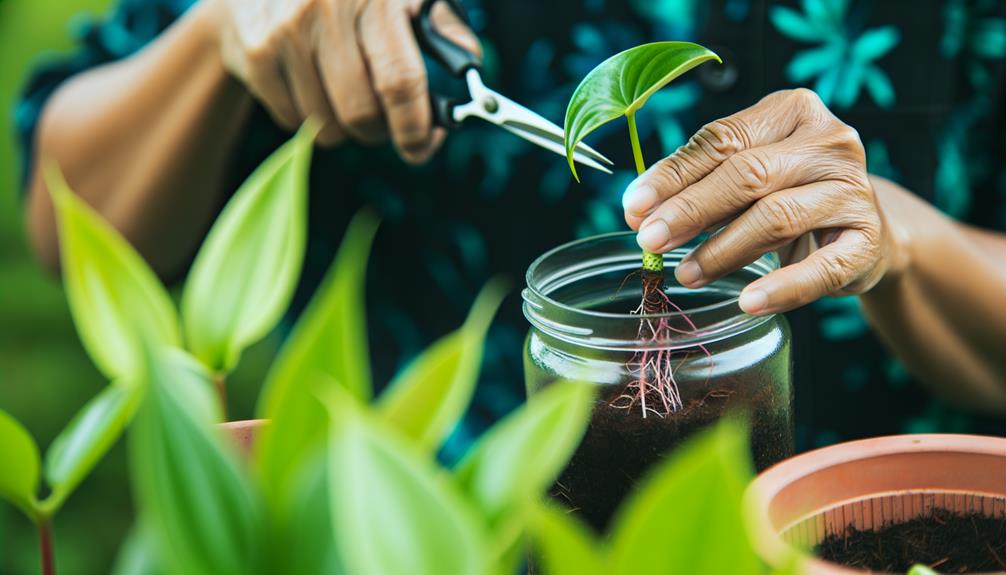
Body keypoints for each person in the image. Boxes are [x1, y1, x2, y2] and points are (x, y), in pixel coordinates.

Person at [17, 0, 1006, 451]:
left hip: (868, 510)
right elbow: (71, 228)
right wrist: (218, 35)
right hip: (446, 518)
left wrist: (901, 240)